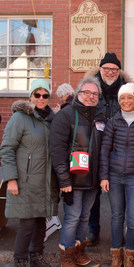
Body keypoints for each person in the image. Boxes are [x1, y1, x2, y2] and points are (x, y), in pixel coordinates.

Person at [0, 79, 58, 267]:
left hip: (45, 181)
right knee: (26, 223)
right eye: (37, 94)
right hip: (25, 181)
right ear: (30, 96)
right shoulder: (20, 118)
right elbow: (7, 149)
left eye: (45, 95)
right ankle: (20, 259)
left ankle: (36, 256)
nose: (41, 98)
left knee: (41, 221)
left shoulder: (50, 119)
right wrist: (11, 179)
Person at [50, 77, 103, 267]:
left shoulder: (99, 116)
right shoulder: (65, 115)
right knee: (72, 217)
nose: (90, 97)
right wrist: (64, 181)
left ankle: (80, 253)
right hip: (72, 179)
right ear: (78, 94)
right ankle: (67, 255)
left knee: (84, 217)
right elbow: (57, 150)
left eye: (94, 94)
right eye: (86, 93)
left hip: (91, 179)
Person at [99, 83, 134, 267]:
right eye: (122, 98)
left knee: (133, 219)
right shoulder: (113, 121)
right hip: (114, 175)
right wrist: (104, 176)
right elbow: (104, 150)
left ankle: (129, 254)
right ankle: (115, 253)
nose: (126, 101)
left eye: (130, 97)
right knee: (117, 216)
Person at [85, 52, 130, 246]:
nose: (110, 72)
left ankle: (122, 232)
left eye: (114, 69)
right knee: (93, 192)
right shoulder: (92, 90)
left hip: (120, 149)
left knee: (122, 194)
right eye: (106, 69)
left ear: (119, 71)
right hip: (95, 147)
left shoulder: (127, 90)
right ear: (100, 70)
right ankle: (93, 230)